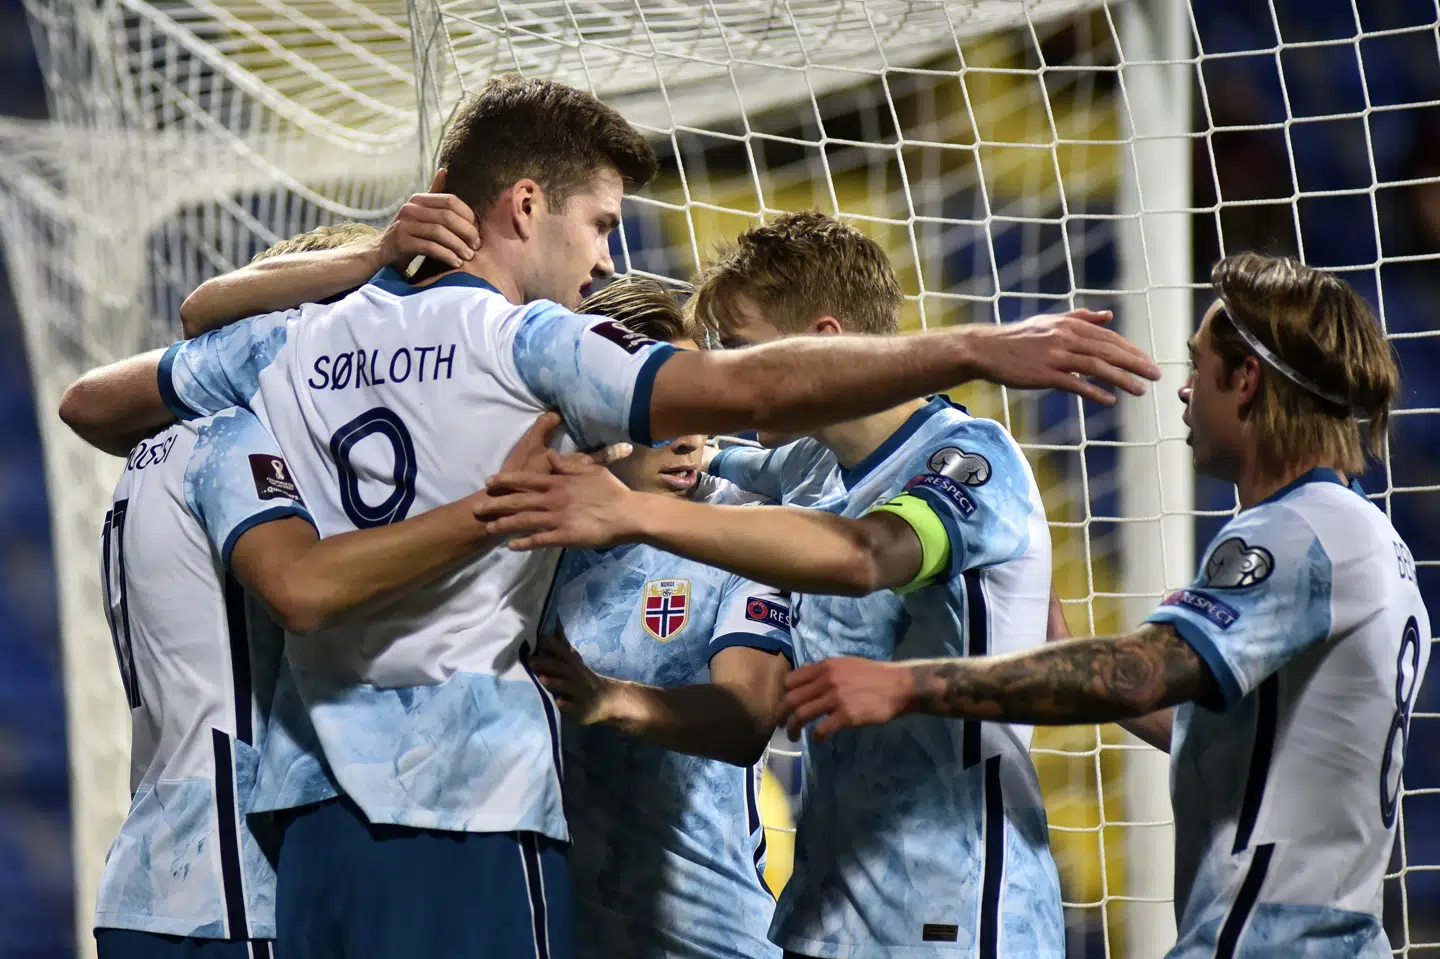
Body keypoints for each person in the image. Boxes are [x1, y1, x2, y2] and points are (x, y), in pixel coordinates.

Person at [56, 75, 1157, 958]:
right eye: (600, 222)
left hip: (310, 819)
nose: (607, 258)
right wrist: (974, 341)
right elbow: (748, 395)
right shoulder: (530, 349)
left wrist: (358, 266)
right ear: (526, 204)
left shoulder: (295, 342)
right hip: (470, 802)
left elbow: (103, 394)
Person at [775, 253, 1425, 958]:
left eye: (1197, 366)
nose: (1181, 392)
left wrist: (906, 684)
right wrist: (1049, 627)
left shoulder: (1300, 534)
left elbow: (1142, 670)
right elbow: (1209, 729)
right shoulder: (1361, 537)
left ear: (1245, 379)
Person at [479, 211, 1068, 958]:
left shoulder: (969, 459)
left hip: (951, 911)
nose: (732, 384)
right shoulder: (811, 464)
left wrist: (632, 514)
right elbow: (683, 455)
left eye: (746, 355)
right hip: (826, 913)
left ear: (821, 345)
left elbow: (865, 554)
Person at [88, 220, 594, 959]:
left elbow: (93, 397)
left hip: (150, 873)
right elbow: (303, 585)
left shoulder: (152, 448)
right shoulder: (236, 442)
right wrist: (493, 508)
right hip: (230, 890)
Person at [531, 277, 790, 959]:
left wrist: (611, 699)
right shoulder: (529, 536)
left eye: (697, 403)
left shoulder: (741, 526)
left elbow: (748, 718)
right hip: (552, 930)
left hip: (708, 936)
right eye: (663, 407)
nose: (692, 435)